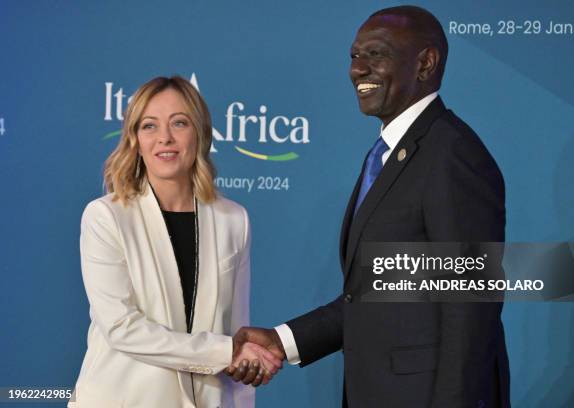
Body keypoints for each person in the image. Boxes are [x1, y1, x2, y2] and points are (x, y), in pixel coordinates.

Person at [228, 6, 510, 408]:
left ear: (425, 63)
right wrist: (283, 339)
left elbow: (470, 310)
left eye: (375, 54)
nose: (357, 70)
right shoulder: (386, 154)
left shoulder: (452, 154)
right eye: (354, 57)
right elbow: (373, 296)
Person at [69, 76, 281, 408]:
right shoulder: (105, 217)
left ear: (200, 133)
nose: (164, 138)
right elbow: (121, 327)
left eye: (178, 123)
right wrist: (225, 352)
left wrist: (241, 374)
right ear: (135, 139)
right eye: (149, 126)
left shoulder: (233, 219)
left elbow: (235, 327)